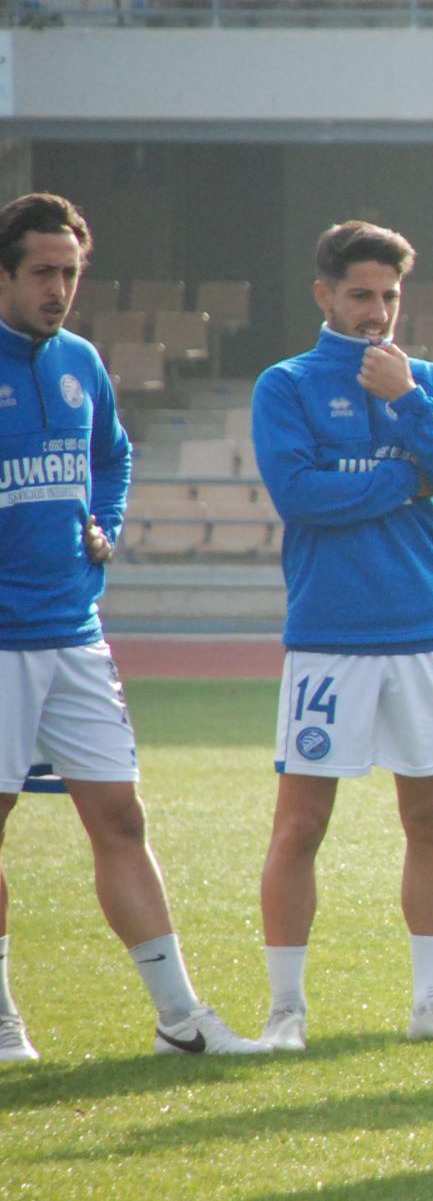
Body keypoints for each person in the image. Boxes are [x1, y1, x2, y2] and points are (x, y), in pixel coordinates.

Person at [0, 193, 264, 1062]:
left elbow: (112, 454)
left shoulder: (80, 361)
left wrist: (102, 523)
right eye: (43, 271)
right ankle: (2, 1016)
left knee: (120, 821)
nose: (60, 289)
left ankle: (179, 1018)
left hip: (73, 632)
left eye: (70, 273)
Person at [252, 221, 433, 1053]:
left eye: (390, 296)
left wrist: (408, 403)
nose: (377, 312)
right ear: (324, 295)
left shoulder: (426, 381)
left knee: (432, 818)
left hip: (423, 631)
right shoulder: (284, 385)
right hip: (328, 635)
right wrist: (406, 478)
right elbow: (301, 497)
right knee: (300, 827)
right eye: (361, 294)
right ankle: (287, 1010)